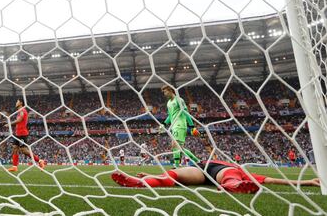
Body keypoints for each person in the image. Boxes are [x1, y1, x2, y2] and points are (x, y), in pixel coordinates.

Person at [111, 160, 320, 194]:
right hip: (203, 170)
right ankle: (138, 182)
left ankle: (233, 185)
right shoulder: (210, 161)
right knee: (171, 176)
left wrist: (308, 181)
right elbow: (272, 180)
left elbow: (272, 180)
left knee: (231, 175)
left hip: (218, 171)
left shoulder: (236, 166)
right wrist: (151, 173)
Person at [160, 85, 200, 168]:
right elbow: (170, 116)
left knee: (174, 145)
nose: (164, 94)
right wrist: (164, 123)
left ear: (171, 90)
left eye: (165, 91)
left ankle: (177, 166)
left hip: (180, 124)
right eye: (163, 92)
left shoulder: (179, 100)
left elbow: (186, 112)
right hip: (174, 125)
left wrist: (192, 126)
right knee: (180, 148)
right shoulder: (169, 103)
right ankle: (198, 161)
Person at [5, 98, 44, 172]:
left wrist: (9, 124)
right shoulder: (20, 111)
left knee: (24, 150)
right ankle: (14, 166)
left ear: (21, 103)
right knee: (15, 148)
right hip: (18, 133)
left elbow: (19, 120)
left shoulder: (22, 110)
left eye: (17, 101)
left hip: (22, 133)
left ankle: (39, 161)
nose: (16, 102)